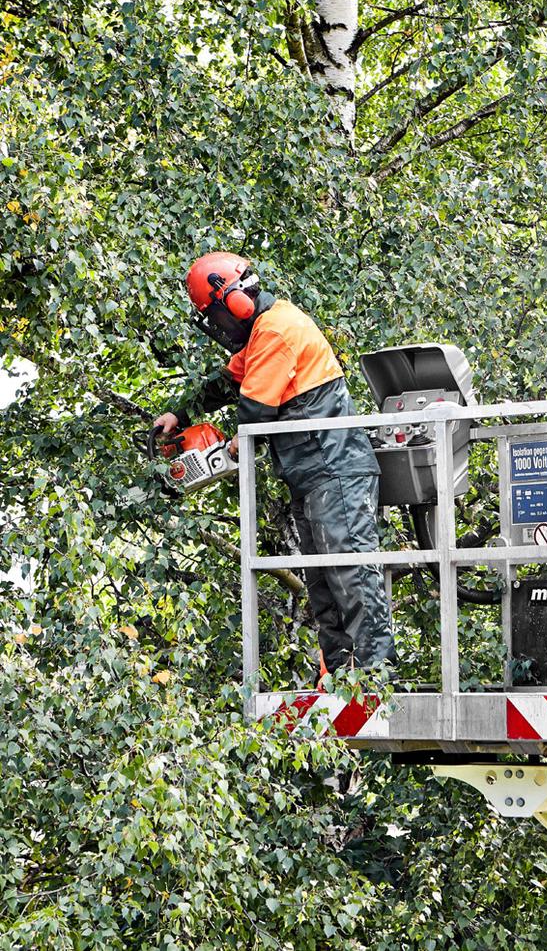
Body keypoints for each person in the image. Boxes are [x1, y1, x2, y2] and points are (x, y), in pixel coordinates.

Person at [154, 251, 396, 684]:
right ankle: (344, 677)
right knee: (323, 583)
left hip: (335, 468)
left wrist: (224, 451)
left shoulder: (277, 330)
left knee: (352, 571)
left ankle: (377, 676)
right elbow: (227, 383)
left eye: (216, 316)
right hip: (311, 475)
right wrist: (179, 415)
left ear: (234, 302)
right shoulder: (262, 333)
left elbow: (253, 414)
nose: (220, 328)